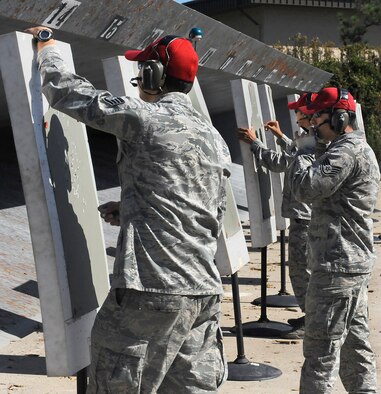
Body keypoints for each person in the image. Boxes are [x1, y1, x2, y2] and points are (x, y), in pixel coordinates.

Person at [25, 26, 231, 393]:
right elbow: (203, 207)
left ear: (153, 74)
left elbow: (71, 94)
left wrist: (48, 49)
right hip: (203, 293)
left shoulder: (146, 118)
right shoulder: (214, 137)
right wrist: (133, 207)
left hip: (151, 291)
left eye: (142, 73)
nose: (138, 82)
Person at [289, 87, 379, 393]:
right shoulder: (358, 148)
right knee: (355, 351)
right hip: (349, 265)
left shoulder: (344, 152)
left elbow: (305, 189)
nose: (311, 125)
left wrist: (302, 151)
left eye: (318, 119)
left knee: (320, 358)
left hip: (336, 268)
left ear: (341, 118)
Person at [236, 94, 317, 339]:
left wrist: (255, 143)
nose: (296, 115)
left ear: (310, 116)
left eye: (299, 111)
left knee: (302, 273)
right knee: (304, 272)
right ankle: (311, 318)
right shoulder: (312, 139)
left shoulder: (314, 143)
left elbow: (281, 163)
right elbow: (294, 153)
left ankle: (311, 324)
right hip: (305, 217)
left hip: (305, 220)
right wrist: (281, 137)